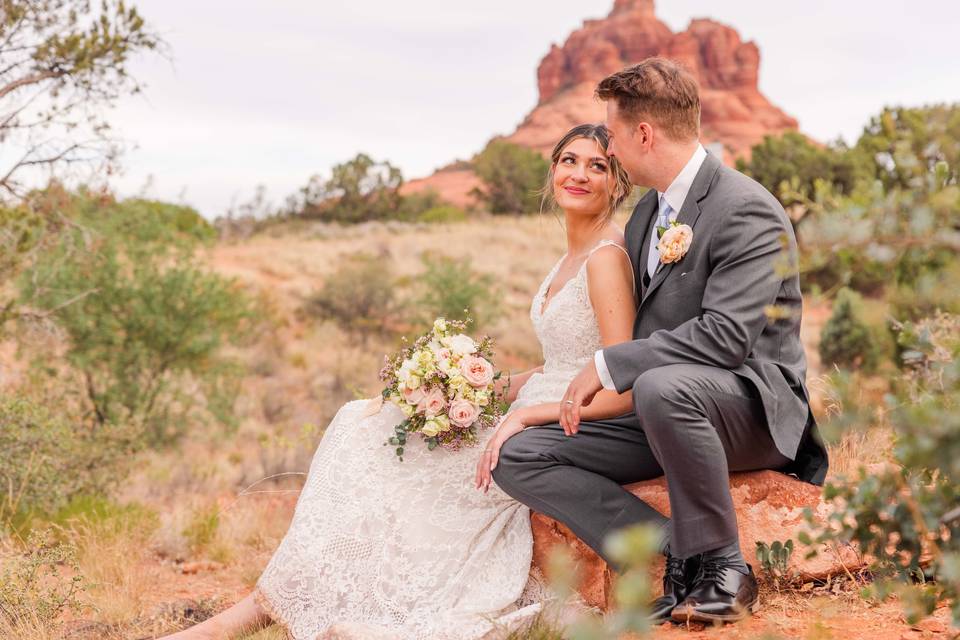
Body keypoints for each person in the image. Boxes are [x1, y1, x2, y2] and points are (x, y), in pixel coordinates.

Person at [159, 123, 636, 640]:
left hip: (560, 427)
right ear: (551, 171)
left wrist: (526, 414)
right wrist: (471, 388)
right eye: (569, 160)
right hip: (536, 405)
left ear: (617, 184)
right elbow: (559, 364)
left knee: (399, 462)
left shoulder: (606, 259)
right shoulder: (569, 257)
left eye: (597, 166)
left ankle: (256, 614)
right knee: (363, 420)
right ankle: (268, 603)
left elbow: (620, 383)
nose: (580, 174)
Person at [492, 58, 829, 625]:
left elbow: (725, 338)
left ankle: (724, 567)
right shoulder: (650, 210)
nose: (612, 150)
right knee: (521, 453)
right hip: (663, 406)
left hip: (750, 412)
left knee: (663, 387)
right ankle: (666, 548)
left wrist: (609, 363)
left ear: (643, 134)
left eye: (615, 137)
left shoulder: (744, 208)